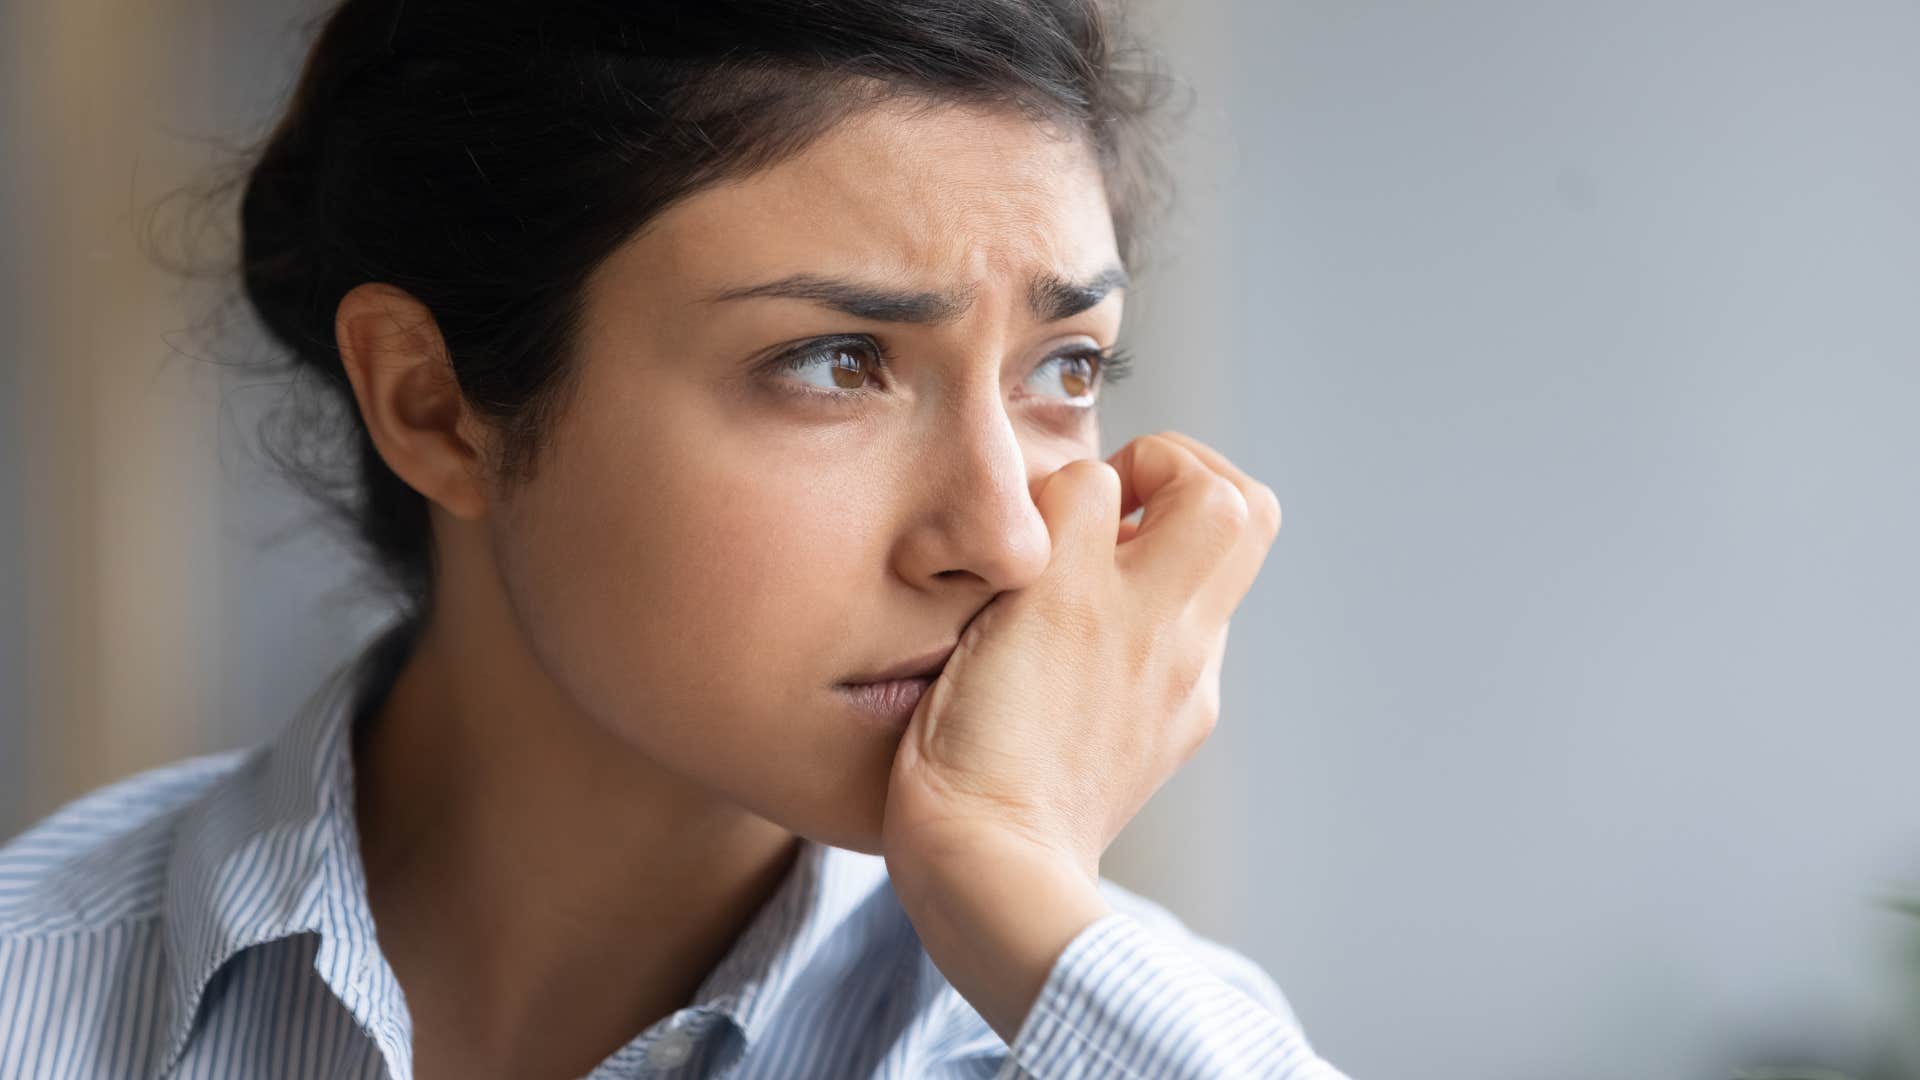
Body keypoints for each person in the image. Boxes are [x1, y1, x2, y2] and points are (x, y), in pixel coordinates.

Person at [0, 2, 1348, 1077]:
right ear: (435, 404)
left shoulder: (1097, 1028)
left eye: (1065, 367)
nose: (1001, 537)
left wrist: (1011, 879)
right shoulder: (33, 996)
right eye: (834, 363)